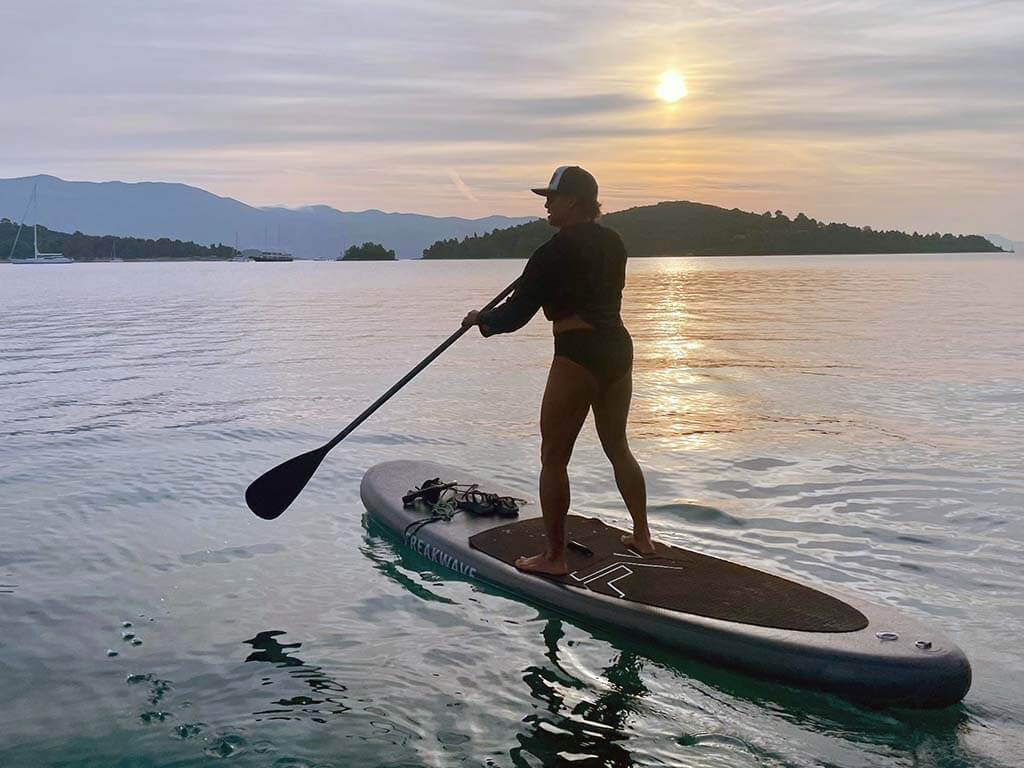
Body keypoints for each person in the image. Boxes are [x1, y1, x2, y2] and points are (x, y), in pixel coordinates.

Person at [462, 166, 654, 576]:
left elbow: (515, 316)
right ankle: (642, 535)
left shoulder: (550, 253)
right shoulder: (614, 243)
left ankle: (554, 557)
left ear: (573, 201)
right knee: (617, 445)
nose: (546, 204)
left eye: (552, 196)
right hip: (618, 348)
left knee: (553, 457)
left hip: (578, 351)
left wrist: (482, 319)